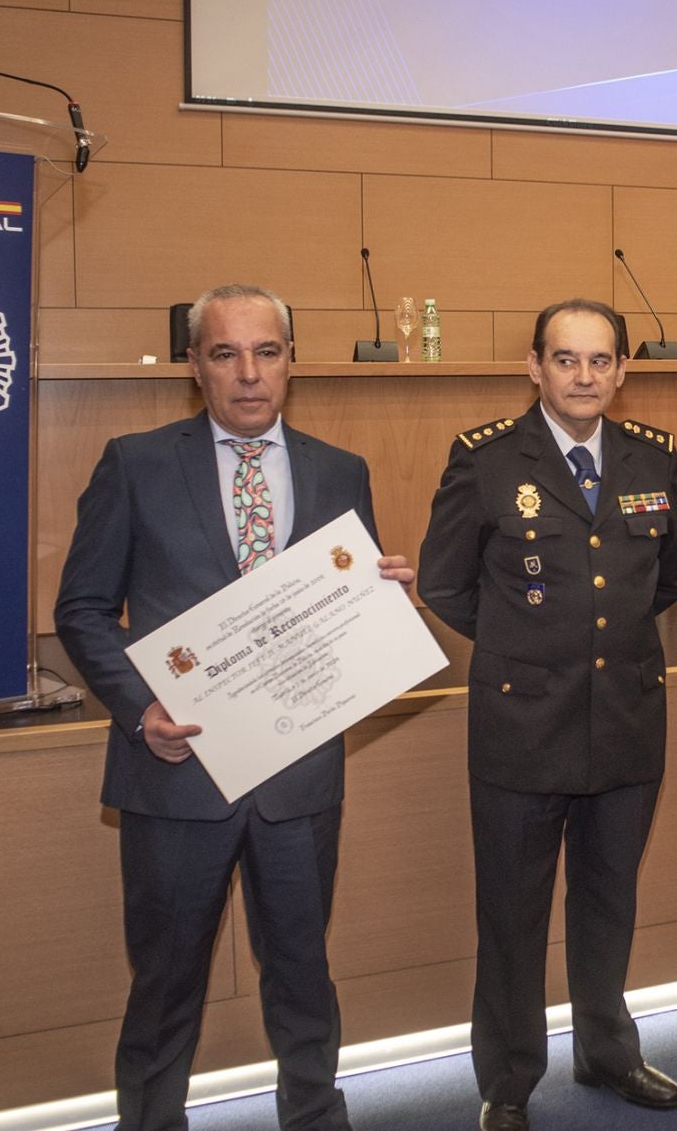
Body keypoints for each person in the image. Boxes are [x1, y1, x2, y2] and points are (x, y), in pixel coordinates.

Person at [55, 285, 414, 1131]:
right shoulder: (135, 462)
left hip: (299, 780)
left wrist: (388, 599)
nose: (249, 375)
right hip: (177, 775)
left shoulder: (340, 469)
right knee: (166, 986)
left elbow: (344, 626)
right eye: (226, 354)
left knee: (302, 975)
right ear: (194, 366)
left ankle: (316, 1118)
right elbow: (81, 609)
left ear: (292, 362)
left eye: (267, 353)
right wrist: (140, 708)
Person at [417, 300, 677, 1131]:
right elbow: (443, 583)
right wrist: (525, 646)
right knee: (512, 912)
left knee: (608, 902)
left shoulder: (654, 459)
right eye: (565, 360)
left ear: (621, 370)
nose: (584, 376)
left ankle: (608, 1050)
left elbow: (667, 578)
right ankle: (507, 1081)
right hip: (521, 726)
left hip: (626, 718)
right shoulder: (487, 460)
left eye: (600, 361)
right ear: (534, 367)